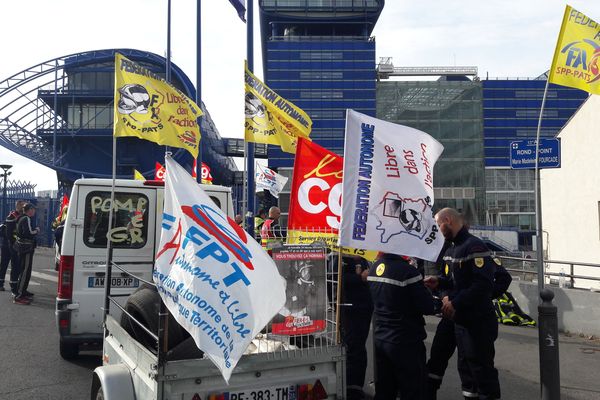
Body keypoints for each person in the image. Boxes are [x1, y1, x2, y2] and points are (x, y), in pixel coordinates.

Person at [425, 208, 501, 400]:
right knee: (442, 360)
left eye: (438, 224)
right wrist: (439, 282)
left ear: (448, 221)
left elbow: (482, 284)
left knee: (479, 369)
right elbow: (455, 281)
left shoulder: (474, 246)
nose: (438, 229)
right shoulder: (451, 248)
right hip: (455, 317)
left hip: (476, 321)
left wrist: (456, 302)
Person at [368, 252, 435, 399]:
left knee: (385, 389)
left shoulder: (374, 267)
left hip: (381, 338)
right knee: (413, 389)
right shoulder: (408, 272)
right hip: (405, 340)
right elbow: (427, 306)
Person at [339, 255, 373, 400]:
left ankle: (356, 386)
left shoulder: (366, 258)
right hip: (348, 308)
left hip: (365, 307)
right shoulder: (340, 257)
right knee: (352, 346)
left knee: (358, 347)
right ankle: (350, 386)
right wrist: (360, 278)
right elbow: (338, 279)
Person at [13, 203, 39, 305]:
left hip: (22, 246)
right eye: (33, 209)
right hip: (26, 247)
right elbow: (28, 233)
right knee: (25, 270)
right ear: (30, 210)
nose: (34, 211)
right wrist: (36, 230)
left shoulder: (21, 217)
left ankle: (23, 291)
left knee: (25, 269)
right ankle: (19, 296)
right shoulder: (26, 218)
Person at [0, 200, 26, 293]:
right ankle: (5, 284)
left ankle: (12, 284)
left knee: (13, 265)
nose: (24, 208)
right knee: (6, 264)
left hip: (10, 244)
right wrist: (13, 244)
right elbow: (10, 234)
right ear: (18, 206)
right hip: (9, 245)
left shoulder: (20, 216)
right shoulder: (12, 217)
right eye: (23, 206)